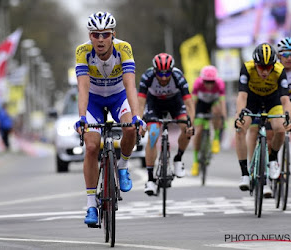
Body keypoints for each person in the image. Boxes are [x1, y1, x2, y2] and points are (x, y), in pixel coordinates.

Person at [74, 11, 146, 225]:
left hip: (118, 97)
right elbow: (83, 88)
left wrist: (136, 116)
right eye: (95, 35)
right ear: (90, 36)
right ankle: (90, 206)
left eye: (105, 34)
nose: (100, 39)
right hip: (94, 101)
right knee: (91, 147)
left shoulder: (124, 49)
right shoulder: (83, 51)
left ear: (113, 34)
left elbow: (130, 85)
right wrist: (81, 118)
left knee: (131, 129)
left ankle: (123, 166)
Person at [235, 43, 291, 197]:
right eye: (261, 67)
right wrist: (240, 115)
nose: (265, 71)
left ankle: (273, 159)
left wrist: (288, 117)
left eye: (269, 67)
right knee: (240, 129)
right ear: (255, 64)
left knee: (280, 128)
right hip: (252, 101)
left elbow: (285, 100)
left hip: (272, 101)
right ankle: (245, 173)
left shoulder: (279, 71)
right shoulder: (247, 68)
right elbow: (242, 96)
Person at [137, 53, 194, 196]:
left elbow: (189, 103)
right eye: (160, 74)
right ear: (154, 71)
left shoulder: (178, 77)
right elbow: (140, 102)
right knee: (154, 132)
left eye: (167, 73)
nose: (163, 77)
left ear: (172, 70)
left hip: (174, 102)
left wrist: (190, 124)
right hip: (154, 103)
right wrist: (140, 122)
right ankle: (150, 179)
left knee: (185, 128)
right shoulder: (147, 76)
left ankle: (178, 158)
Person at [190, 65, 227, 176]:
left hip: (213, 103)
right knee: (199, 131)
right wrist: (191, 118)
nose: (209, 85)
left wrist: (223, 117)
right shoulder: (197, 84)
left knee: (217, 111)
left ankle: (215, 138)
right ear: (202, 80)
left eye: (212, 82)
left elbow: (222, 103)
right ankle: (196, 162)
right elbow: (193, 103)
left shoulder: (220, 84)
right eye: (207, 82)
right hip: (201, 104)